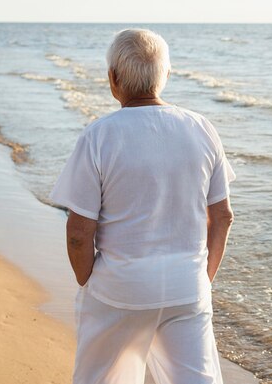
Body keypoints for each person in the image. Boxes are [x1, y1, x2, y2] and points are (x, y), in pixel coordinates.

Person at [49, 28, 237, 384]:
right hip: (187, 287)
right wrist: (202, 278)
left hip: (119, 286)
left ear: (113, 78)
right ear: (165, 75)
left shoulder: (99, 135)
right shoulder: (202, 128)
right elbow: (222, 216)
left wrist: (87, 282)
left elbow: (78, 230)